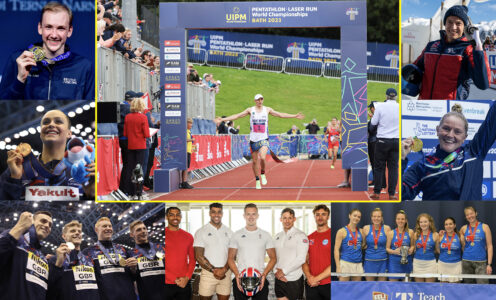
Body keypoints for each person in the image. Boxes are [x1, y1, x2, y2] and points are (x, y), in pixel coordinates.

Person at [402, 102, 496, 200]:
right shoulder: (423, 165)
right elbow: (402, 193)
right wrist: (401, 159)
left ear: (464, 137)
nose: (450, 135)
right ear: (437, 130)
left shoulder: (474, 153)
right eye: (446, 129)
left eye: (457, 132)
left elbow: (493, 118)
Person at [0, 2, 94, 100]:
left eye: (60, 28)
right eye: (48, 27)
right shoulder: (18, 60)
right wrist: (20, 80)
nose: (54, 35)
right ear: (40, 28)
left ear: (69, 31)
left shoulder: (84, 67)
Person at [0, 109, 95, 200]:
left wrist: (92, 194)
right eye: (46, 122)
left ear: (69, 133)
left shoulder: (85, 170)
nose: (51, 124)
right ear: (41, 133)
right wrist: (14, 179)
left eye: (58, 121)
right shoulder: (17, 168)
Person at [217, 94, 304, 189]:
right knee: (254, 162)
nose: (260, 101)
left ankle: (263, 173)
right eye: (258, 100)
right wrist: (223, 119)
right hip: (253, 139)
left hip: (264, 138)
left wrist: (294, 116)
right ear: (255, 101)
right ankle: (257, 180)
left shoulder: (267, 109)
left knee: (262, 157)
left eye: (261, 99)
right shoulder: (250, 110)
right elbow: (237, 116)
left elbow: (280, 115)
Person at [403, 5, 490, 100]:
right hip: (424, 107)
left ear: (464, 27)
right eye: (450, 22)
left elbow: (483, 84)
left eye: (458, 23)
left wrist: (477, 47)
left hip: (449, 110)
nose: (453, 27)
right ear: (445, 23)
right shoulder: (431, 46)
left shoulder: (467, 49)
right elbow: (415, 69)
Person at [0, 211, 53, 300]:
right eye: (43, 221)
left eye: (50, 225)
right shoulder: (14, 237)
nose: (47, 225)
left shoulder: (43, 258)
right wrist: (19, 228)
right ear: (32, 221)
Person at [228, 203, 276, 300]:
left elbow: (273, 258)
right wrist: (237, 275)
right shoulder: (236, 235)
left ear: (257, 216)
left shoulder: (265, 235)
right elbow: (230, 258)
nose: (251, 217)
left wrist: (264, 274)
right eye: (248, 214)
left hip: (260, 279)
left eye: (253, 214)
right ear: (244, 216)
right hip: (241, 279)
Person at [82, 217, 136, 300]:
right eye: (104, 226)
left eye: (110, 226)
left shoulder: (122, 249)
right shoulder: (88, 252)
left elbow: (133, 275)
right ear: (96, 229)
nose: (108, 228)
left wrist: (133, 268)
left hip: (128, 296)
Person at [46, 220, 100, 300]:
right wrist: (57, 265)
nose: (77, 233)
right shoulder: (54, 260)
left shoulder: (89, 260)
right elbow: (49, 287)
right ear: (64, 236)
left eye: (79, 231)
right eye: (72, 231)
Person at [193, 203, 233, 300]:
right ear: (209, 213)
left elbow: (232, 255)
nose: (216, 215)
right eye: (213, 212)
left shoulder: (230, 232)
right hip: (208, 273)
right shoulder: (201, 231)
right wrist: (213, 270)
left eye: (219, 212)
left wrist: (223, 270)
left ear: (222, 214)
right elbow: (198, 256)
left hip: (226, 272)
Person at [370, 88, 399, 200]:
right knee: (393, 168)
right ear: (395, 97)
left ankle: (377, 192)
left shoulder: (380, 106)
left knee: (379, 167)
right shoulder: (399, 107)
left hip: (382, 140)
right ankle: (392, 194)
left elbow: (373, 123)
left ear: (386, 96)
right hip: (395, 140)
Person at [273, 208, 308, 300]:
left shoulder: (300, 235)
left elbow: (301, 258)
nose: (287, 221)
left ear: (294, 219)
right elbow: (274, 257)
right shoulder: (277, 236)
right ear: (281, 219)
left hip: (294, 279)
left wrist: (283, 272)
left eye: (290, 218)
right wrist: (276, 272)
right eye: (284, 218)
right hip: (279, 279)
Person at [128, 220, 166, 300]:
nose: (143, 231)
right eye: (139, 230)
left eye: (144, 228)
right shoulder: (130, 254)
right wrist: (132, 268)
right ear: (132, 235)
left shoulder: (161, 248)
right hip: (147, 296)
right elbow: (131, 278)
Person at [165, 207, 196, 300]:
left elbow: (193, 259)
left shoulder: (188, 236)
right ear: (167, 217)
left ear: (181, 217)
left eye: (178, 215)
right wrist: (171, 278)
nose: (175, 217)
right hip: (165, 284)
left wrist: (187, 278)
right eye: (171, 215)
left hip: (184, 283)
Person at [123, 98, 150, 199]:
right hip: (141, 146)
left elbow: (125, 133)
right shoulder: (143, 117)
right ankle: (139, 192)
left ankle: (131, 191)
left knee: (130, 168)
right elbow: (147, 134)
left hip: (130, 145)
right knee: (139, 170)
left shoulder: (127, 117)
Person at [303, 205, 331, 300]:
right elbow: (304, 261)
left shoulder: (334, 235)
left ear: (328, 217)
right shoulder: (309, 237)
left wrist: (316, 279)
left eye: (323, 214)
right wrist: (309, 277)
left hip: (329, 283)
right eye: (317, 214)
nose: (320, 217)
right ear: (314, 217)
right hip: (312, 285)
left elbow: (336, 263)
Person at [118, 90, 143, 194]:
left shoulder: (120, 107)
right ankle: (129, 189)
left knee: (127, 165)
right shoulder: (129, 110)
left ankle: (124, 188)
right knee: (131, 165)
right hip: (129, 140)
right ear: (132, 100)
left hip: (122, 139)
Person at [459, 206, 493, 284]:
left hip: (481, 262)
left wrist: (489, 264)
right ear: (465, 217)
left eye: (471, 213)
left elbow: (490, 246)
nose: (470, 216)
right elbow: (457, 240)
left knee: (483, 287)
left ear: (476, 213)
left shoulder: (485, 227)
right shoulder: (463, 229)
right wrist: (443, 233)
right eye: (467, 215)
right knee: (468, 288)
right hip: (466, 262)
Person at [333, 208, 363, 282]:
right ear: (349, 216)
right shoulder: (341, 231)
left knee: (356, 288)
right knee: (343, 288)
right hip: (346, 263)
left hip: (358, 263)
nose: (356, 218)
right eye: (354, 215)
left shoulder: (361, 231)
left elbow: (363, 245)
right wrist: (338, 267)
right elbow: (336, 249)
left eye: (358, 217)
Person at [363, 208, 391, 281]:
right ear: (371, 217)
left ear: (382, 218)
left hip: (383, 261)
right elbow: (363, 245)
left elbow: (389, 245)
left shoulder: (387, 228)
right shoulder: (366, 228)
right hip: (369, 261)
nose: (376, 218)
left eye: (378, 216)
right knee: (370, 286)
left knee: (382, 286)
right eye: (374, 216)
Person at [386, 210, 414, 281]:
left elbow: (413, 246)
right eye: (398, 219)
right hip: (394, 262)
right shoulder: (391, 233)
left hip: (407, 261)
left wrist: (411, 249)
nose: (400, 221)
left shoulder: (410, 232)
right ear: (396, 220)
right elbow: (387, 248)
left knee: (407, 286)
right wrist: (394, 251)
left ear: (406, 220)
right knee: (393, 286)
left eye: (402, 219)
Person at [412, 213, 439, 282]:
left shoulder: (435, 235)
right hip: (417, 263)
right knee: (419, 287)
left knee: (430, 288)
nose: (423, 224)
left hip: (430, 263)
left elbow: (437, 250)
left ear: (429, 222)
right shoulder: (415, 235)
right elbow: (413, 249)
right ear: (419, 224)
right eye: (421, 222)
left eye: (425, 222)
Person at [437, 217, 462, 283]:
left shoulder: (460, 236)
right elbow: (437, 250)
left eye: (450, 224)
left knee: (455, 289)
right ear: (444, 226)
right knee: (443, 290)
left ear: (454, 225)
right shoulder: (441, 236)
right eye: (446, 224)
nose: (448, 226)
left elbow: (464, 249)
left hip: (456, 265)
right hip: (443, 265)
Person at [367, 101, 386, 189]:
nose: (370, 109)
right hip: (375, 141)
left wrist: (371, 120)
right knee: (376, 163)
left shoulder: (378, 117)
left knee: (376, 163)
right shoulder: (379, 116)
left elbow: (372, 129)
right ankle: (378, 181)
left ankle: (379, 182)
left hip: (375, 141)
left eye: (371, 108)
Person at [180, 118, 194, 189]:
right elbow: (183, 139)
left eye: (191, 123)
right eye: (190, 123)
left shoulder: (188, 131)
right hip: (185, 151)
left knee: (186, 167)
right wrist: (191, 140)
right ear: (186, 124)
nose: (191, 125)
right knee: (185, 167)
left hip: (188, 151)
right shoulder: (184, 131)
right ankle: (184, 182)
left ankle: (184, 181)